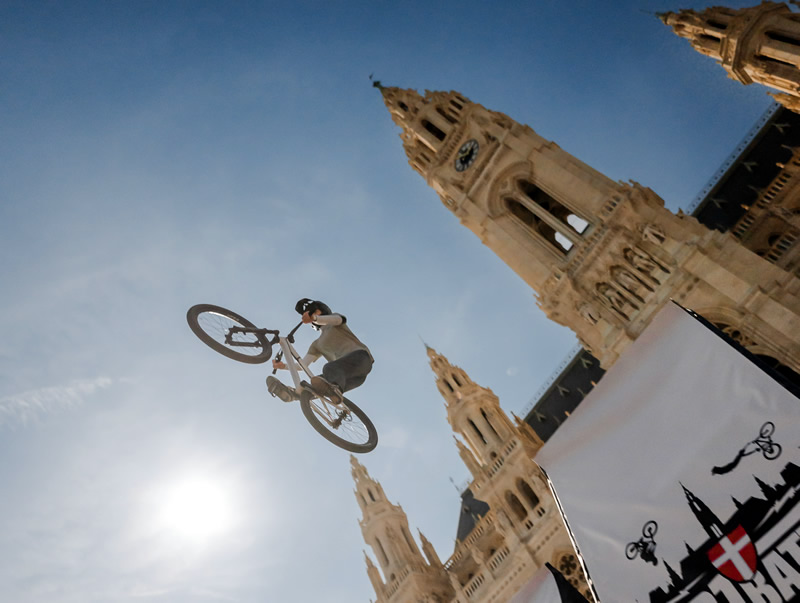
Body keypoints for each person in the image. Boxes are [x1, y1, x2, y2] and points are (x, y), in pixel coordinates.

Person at [267, 298, 373, 403]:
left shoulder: (334, 322)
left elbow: (338, 320)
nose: (312, 315)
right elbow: (301, 366)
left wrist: (314, 317)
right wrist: (282, 366)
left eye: (314, 311)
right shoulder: (317, 344)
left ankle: (335, 390)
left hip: (361, 359)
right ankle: (294, 395)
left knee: (328, 368)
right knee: (314, 386)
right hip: (349, 378)